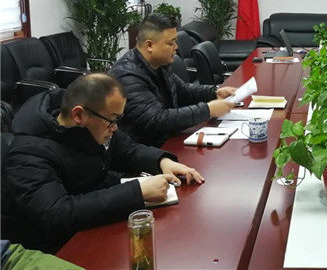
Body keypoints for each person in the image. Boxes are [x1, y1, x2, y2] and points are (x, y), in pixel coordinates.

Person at [1, 73, 204, 254]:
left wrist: (162, 161)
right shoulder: (28, 154)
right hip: (50, 247)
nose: (115, 128)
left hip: (90, 223)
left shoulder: (93, 125)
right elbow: (58, 213)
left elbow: (127, 149)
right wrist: (138, 192)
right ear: (79, 115)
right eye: (112, 120)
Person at [109, 13, 237, 147]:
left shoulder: (158, 64)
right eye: (170, 43)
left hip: (167, 140)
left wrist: (214, 92)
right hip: (144, 150)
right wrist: (207, 110)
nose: (176, 47)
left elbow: (183, 91)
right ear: (149, 45)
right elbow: (155, 120)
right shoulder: (127, 75)